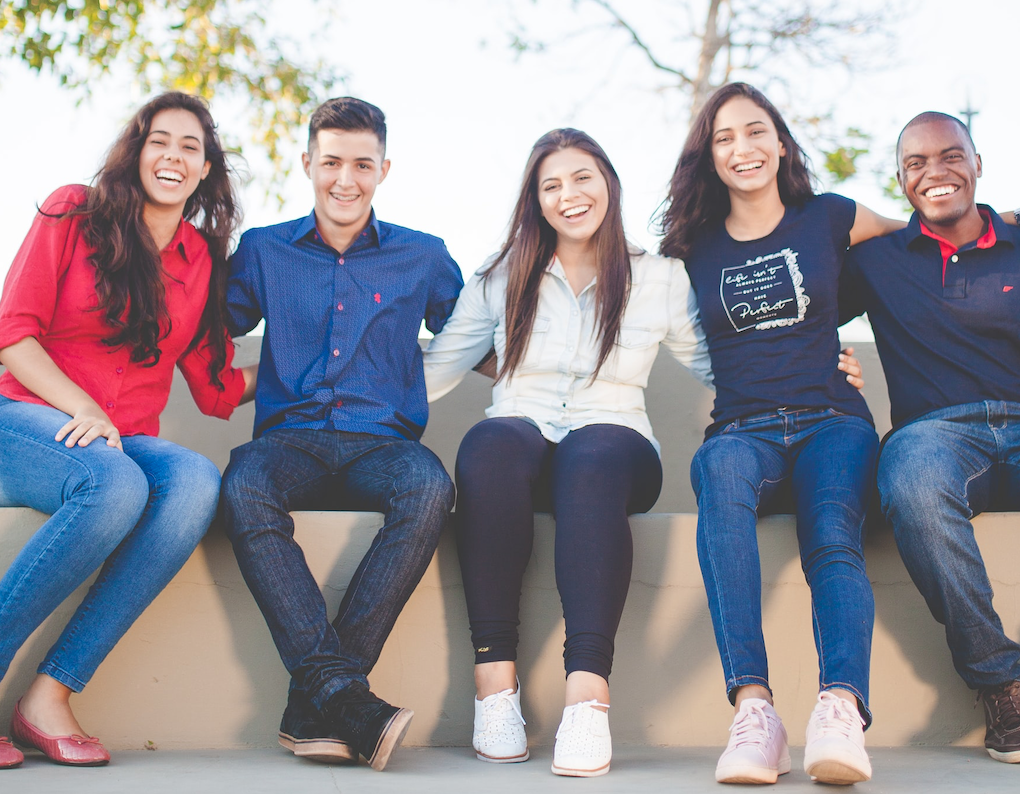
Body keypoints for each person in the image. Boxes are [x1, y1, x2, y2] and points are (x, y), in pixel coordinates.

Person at [658, 82, 1020, 786]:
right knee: (719, 482)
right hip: (741, 428)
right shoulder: (688, 248)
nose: (744, 148)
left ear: (781, 142)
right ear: (707, 155)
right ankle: (754, 710)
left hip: (833, 420)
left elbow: (936, 226)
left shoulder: (831, 217)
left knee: (832, 533)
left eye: (756, 131)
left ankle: (841, 708)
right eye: (725, 137)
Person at [421, 128, 729, 777]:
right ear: (535, 200)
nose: (570, 195)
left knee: (591, 459)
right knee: (490, 445)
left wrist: (810, 371)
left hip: (615, 443)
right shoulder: (501, 275)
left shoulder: (658, 278)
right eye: (551, 184)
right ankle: (495, 687)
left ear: (608, 183)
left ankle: (587, 699)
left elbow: (716, 363)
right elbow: (437, 367)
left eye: (582, 177)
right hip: (521, 439)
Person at [842, 111, 1020, 766]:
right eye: (915, 164)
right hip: (933, 438)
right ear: (900, 182)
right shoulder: (875, 260)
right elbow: (802, 238)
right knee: (908, 480)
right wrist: (825, 358)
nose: (934, 172)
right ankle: (999, 682)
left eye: (950, 156)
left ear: (978, 162)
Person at [0, 93, 252, 769]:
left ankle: (48, 695)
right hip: (25, 416)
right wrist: (82, 406)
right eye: (159, 141)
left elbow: (215, 383)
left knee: (196, 481)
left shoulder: (202, 258)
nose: (173, 156)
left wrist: (319, 367)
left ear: (205, 170)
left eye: (189, 147)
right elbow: (13, 335)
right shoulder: (72, 211)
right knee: (115, 486)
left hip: (121, 438)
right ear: (137, 151)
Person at [220, 97, 463, 771]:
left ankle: (321, 700)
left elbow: (484, 333)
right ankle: (347, 699)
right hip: (287, 441)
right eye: (331, 162)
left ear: (385, 168)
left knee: (429, 488)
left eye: (362, 163)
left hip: (383, 444)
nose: (345, 180)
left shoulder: (424, 255)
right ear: (307, 164)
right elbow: (205, 326)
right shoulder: (264, 250)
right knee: (242, 486)